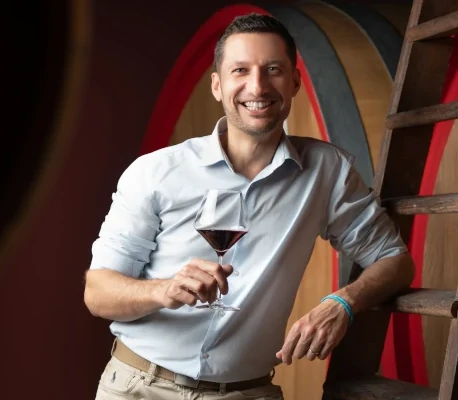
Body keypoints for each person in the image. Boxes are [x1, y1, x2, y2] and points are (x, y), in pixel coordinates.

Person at [83, 12, 415, 400]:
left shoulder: (327, 171)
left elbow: (395, 260)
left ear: (294, 82)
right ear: (217, 86)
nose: (257, 86)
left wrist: (343, 302)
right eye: (240, 70)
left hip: (246, 393)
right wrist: (165, 290)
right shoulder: (156, 172)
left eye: (272, 69)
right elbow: (98, 294)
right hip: (139, 387)